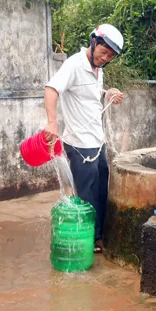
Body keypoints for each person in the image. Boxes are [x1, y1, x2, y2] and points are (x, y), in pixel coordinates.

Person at [43, 24, 125, 253]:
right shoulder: (74, 65)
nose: (105, 57)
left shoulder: (98, 69)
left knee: (100, 192)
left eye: (110, 55)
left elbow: (89, 92)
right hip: (80, 145)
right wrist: (52, 123)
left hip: (97, 143)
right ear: (93, 42)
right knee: (86, 196)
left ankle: (97, 235)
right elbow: (51, 89)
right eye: (103, 51)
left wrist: (107, 93)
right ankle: (86, 242)